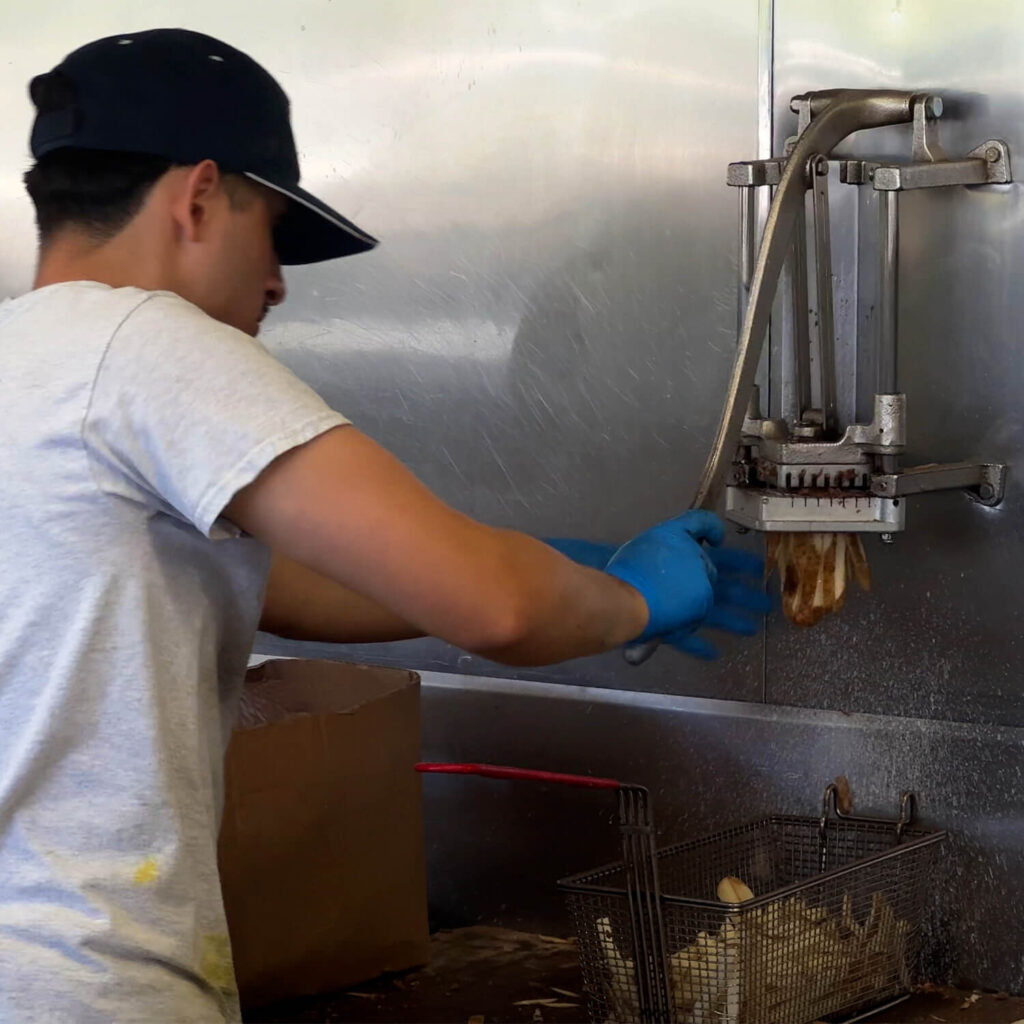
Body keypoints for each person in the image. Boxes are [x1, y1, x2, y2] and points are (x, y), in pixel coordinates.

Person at [0, 28, 769, 1023]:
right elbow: (493, 609)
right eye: (271, 233)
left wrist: (558, 568)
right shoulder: (147, 343)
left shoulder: (27, 368)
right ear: (196, 198)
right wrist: (629, 598)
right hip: (80, 981)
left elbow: (261, 585)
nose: (277, 282)